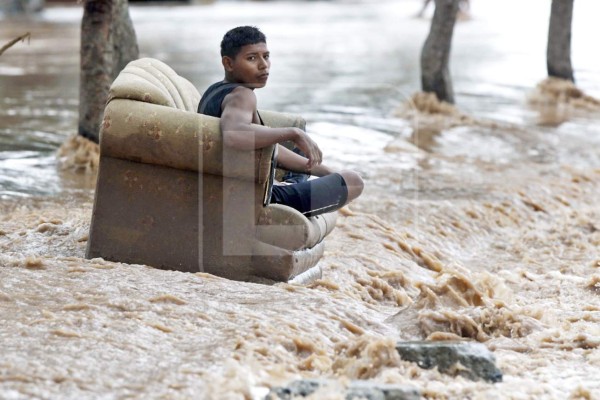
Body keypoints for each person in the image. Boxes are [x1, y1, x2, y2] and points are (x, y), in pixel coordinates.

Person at [198, 26, 363, 217]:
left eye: (266, 56)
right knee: (353, 181)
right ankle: (290, 194)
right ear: (228, 63)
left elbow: (269, 148)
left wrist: (325, 171)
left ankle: (290, 186)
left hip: (233, 190)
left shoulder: (216, 90)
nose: (263, 65)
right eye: (252, 58)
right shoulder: (241, 95)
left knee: (298, 148)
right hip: (256, 199)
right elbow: (234, 135)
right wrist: (293, 133)